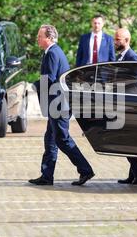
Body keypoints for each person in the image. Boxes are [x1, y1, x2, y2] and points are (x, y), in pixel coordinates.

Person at [29, 25, 95, 186]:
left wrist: (34, 85)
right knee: (50, 139)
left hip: (58, 104)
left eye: (40, 36)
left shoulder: (52, 53)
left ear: (49, 38)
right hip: (57, 103)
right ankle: (47, 175)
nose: (37, 39)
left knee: (62, 139)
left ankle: (85, 170)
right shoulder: (52, 51)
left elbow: (49, 79)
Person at [113, 28, 137, 184]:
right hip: (123, 105)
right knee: (127, 143)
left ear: (126, 40)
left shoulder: (132, 57)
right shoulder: (121, 57)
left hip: (131, 106)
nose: (115, 42)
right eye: (115, 39)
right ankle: (134, 174)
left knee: (128, 143)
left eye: (118, 39)